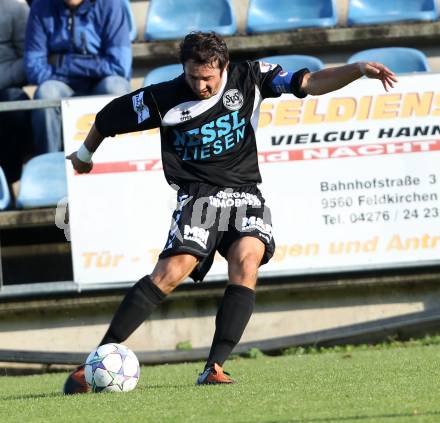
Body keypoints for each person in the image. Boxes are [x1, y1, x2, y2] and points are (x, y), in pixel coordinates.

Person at [63, 32, 397, 393]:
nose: (202, 85)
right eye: (194, 77)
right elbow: (108, 118)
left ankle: (214, 366)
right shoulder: (162, 98)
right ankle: (95, 361)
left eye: (208, 78)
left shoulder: (250, 77)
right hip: (199, 197)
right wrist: (84, 154)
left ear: (223, 67)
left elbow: (310, 82)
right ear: (184, 69)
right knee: (173, 270)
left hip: (245, 193)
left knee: (247, 259)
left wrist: (358, 69)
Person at [24, 0, 132, 155]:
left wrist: (61, 62)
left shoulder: (110, 4)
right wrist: (92, 64)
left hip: (100, 83)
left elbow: (119, 66)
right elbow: (33, 68)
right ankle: (48, 163)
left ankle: (117, 159)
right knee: (46, 93)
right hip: (60, 84)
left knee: (116, 87)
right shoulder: (41, 6)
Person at [0, 0, 33, 198]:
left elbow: (29, 59)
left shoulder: (16, 9)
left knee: (13, 104)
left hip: (6, 88)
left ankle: (12, 181)